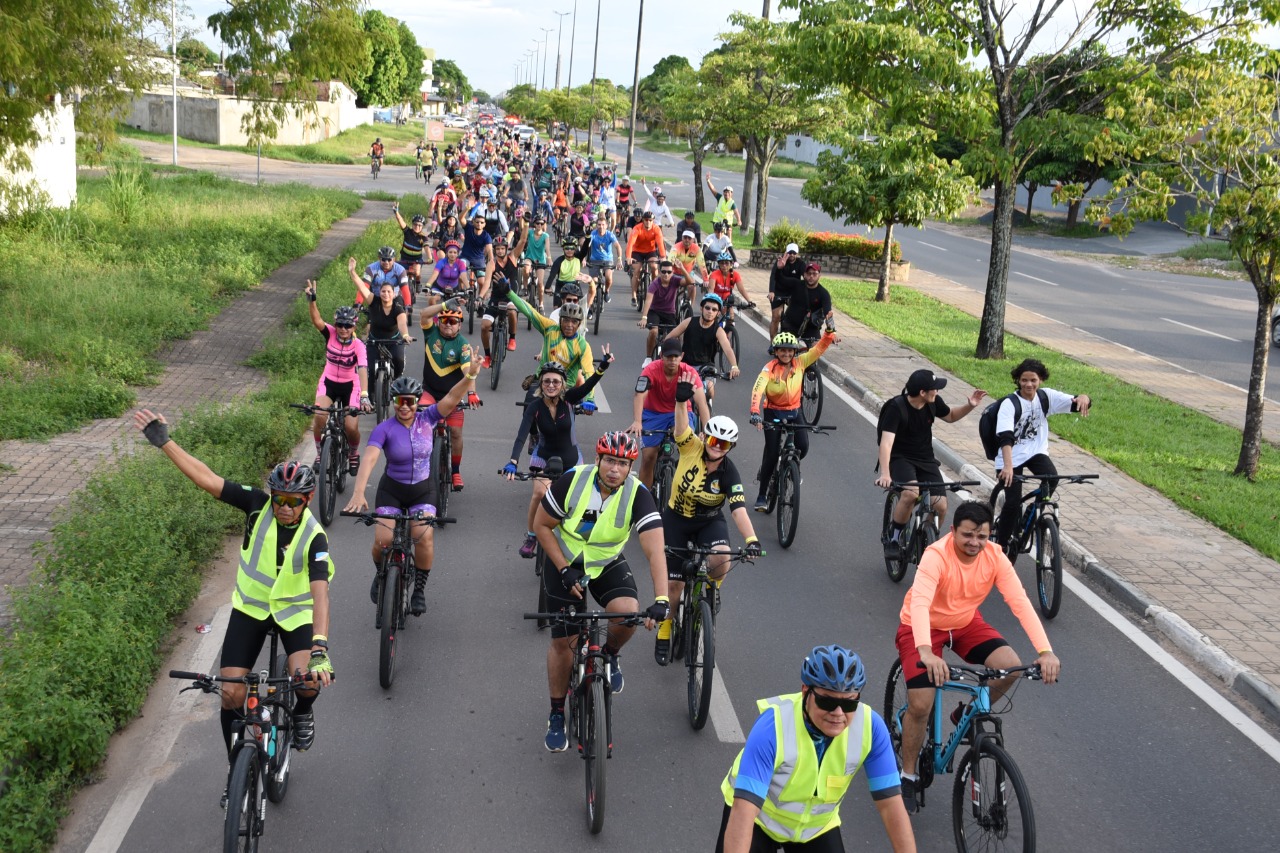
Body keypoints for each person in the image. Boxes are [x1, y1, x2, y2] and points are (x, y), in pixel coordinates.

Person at [133, 412, 334, 784]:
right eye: (279, 499)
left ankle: (303, 712)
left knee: (306, 681)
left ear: (306, 500)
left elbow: (320, 596)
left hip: (294, 614)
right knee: (229, 694)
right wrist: (165, 442)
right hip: (252, 609)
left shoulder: (314, 537)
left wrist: (320, 648)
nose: (284, 507)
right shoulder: (257, 506)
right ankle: (237, 767)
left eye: (293, 500)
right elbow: (207, 479)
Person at [894, 501, 1061, 814]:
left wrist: (1045, 650)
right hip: (923, 627)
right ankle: (907, 772)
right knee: (920, 704)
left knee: (1011, 666)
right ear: (953, 531)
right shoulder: (936, 556)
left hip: (965, 623)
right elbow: (919, 605)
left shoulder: (994, 557)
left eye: (982, 536)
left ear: (990, 535)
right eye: (968, 535)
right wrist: (926, 652)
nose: (975, 542)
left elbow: (1020, 603)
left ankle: (965, 715)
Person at [533, 431, 671, 751]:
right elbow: (541, 525)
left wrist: (662, 599)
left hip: (604, 561)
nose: (614, 469)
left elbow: (655, 551)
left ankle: (609, 655)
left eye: (622, 463)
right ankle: (556, 713)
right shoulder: (572, 481)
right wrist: (565, 570)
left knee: (626, 611)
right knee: (563, 642)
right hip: (564, 561)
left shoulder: (638, 494)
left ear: (630, 467)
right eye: (609, 460)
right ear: (597, 459)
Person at [717, 646, 915, 853]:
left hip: (815, 830)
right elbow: (744, 812)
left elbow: (890, 805)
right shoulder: (773, 728)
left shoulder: (871, 729)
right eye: (827, 701)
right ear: (805, 692)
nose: (838, 713)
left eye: (849, 703)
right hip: (759, 820)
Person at [344, 371, 479, 615]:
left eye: (409, 401)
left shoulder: (428, 418)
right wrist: (358, 492)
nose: (404, 406)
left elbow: (451, 396)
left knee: (423, 537)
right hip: (392, 490)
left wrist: (470, 375)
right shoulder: (384, 429)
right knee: (382, 540)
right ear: (394, 402)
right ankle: (380, 573)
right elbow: (370, 459)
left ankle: (419, 589)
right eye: (399, 401)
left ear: (417, 402)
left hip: (422, 491)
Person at [654, 390, 760, 665]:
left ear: (730, 448)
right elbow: (681, 425)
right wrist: (680, 401)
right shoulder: (690, 447)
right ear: (704, 437)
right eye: (713, 440)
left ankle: (713, 588)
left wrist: (751, 540)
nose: (717, 447)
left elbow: (738, 511)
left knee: (722, 558)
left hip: (709, 521)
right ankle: (665, 629)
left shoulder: (730, 473)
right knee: (674, 585)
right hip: (676, 519)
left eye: (724, 445)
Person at [503, 352, 612, 557]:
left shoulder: (569, 400)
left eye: (555, 381)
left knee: (577, 501)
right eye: (546, 381)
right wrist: (513, 462)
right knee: (539, 493)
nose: (551, 385)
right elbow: (521, 436)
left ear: (562, 384)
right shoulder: (534, 407)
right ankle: (532, 536)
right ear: (541, 384)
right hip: (543, 457)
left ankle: (575, 536)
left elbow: (587, 386)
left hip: (571, 458)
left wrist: (602, 368)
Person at [875, 369, 988, 559]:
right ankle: (894, 538)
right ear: (922, 392)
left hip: (925, 459)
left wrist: (970, 406)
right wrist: (885, 474)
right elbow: (886, 444)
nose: (937, 392)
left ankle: (926, 535)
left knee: (941, 506)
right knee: (911, 493)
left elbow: (951, 416)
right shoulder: (896, 408)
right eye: (934, 389)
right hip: (900, 457)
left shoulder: (933, 402)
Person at [990, 358, 1092, 545]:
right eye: (1024, 380)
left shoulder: (1045, 397)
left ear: (1041, 380)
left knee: (1052, 478)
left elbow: (1075, 402)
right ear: (1018, 381)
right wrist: (1008, 466)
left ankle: (1030, 514)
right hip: (1010, 455)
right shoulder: (1009, 404)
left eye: (1033, 380)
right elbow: (1005, 437)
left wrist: (1084, 397)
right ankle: (1000, 547)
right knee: (1012, 503)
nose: (1029, 384)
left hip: (1036, 452)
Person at [749, 330, 837, 512]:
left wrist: (828, 334)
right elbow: (758, 390)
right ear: (776, 351)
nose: (787, 354)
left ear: (795, 352)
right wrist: (755, 412)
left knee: (803, 446)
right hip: (773, 411)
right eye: (782, 351)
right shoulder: (769, 369)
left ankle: (791, 468)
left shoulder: (801, 362)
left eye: (790, 351)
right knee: (772, 455)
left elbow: (819, 349)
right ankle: (762, 495)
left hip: (794, 411)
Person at [305, 280, 371, 474]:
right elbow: (317, 320)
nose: (343, 329)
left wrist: (365, 394)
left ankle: (353, 453)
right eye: (340, 325)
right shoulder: (331, 334)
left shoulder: (358, 345)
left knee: (351, 426)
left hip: (351, 385)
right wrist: (312, 301)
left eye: (348, 326)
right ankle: (319, 454)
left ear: (354, 326)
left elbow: (362, 369)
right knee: (319, 416)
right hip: (329, 382)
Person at [629, 337, 712, 489]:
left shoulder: (689, 372)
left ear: (682, 356)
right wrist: (637, 421)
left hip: (679, 413)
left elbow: (701, 403)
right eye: (668, 357)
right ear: (661, 356)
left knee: (686, 447)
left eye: (676, 357)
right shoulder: (650, 370)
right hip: (653, 414)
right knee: (648, 456)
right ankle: (642, 498)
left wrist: (708, 431)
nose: (672, 361)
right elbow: (639, 395)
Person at [418, 301, 481, 490]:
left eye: (453, 321)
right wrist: (444, 304)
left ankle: (455, 471)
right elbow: (423, 314)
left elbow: (468, 371)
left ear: (459, 325)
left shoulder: (462, 344)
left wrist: (471, 393)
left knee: (455, 433)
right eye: (444, 320)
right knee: (420, 426)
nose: (448, 324)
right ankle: (420, 463)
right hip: (429, 392)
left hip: (452, 397)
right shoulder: (430, 333)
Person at [664, 293, 740, 404]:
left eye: (714, 310)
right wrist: (670, 354)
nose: (710, 311)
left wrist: (734, 366)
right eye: (707, 308)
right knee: (681, 397)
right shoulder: (689, 322)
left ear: (718, 313)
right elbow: (669, 338)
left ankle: (706, 414)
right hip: (686, 366)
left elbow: (727, 348)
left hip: (706, 367)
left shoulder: (718, 331)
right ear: (701, 308)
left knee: (709, 390)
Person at [352, 276, 413, 381]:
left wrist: (405, 335)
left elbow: (402, 323)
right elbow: (362, 287)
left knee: (399, 360)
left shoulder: (397, 307)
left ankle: (395, 380)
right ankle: (369, 396)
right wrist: (352, 272)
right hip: (374, 341)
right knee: (369, 371)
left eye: (389, 292)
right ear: (379, 293)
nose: (386, 294)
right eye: (383, 291)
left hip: (394, 341)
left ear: (394, 294)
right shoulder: (373, 301)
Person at [478, 245, 520, 367]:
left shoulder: (512, 258)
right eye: (498, 249)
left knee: (512, 311)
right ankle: (487, 355)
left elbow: (522, 240)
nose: (500, 251)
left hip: (510, 296)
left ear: (506, 249)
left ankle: (512, 338)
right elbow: (486, 283)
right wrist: (480, 296)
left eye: (502, 248)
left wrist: (526, 224)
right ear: (495, 250)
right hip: (495, 298)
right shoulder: (491, 264)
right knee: (484, 326)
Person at [638, 258, 687, 357]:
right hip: (654, 311)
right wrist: (644, 318)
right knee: (653, 331)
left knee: (675, 337)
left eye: (669, 272)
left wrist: (682, 268)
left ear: (672, 272)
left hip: (669, 313)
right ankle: (648, 357)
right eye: (664, 272)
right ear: (659, 272)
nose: (666, 274)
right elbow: (648, 300)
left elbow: (690, 281)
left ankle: (675, 358)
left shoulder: (675, 280)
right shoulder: (655, 283)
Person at [626, 210, 669, 306]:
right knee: (636, 270)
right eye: (646, 220)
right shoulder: (637, 228)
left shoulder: (656, 229)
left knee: (654, 267)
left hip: (650, 251)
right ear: (643, 220)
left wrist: (663, 256)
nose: (648, 222)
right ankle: (634, 295)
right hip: (637, 251)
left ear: (653, 220)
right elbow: (630, 243)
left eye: (650, 220)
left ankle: (653, 289)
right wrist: (628, 257)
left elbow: (660, 243)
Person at [780, 263, 833, 340]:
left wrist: (832, 332)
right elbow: (780, 279)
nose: (811, 276)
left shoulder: (823, 293)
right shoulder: (796, 284)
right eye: (809, 273)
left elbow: (828, 313)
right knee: (785, 347)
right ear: (804, 275)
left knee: (816, 349)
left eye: (814, 274)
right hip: (791, 324)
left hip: (811, 327)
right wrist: (779, 268)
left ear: (819, 275)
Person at [768, 243, 806, 340]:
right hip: (779, 291)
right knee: (776, 317)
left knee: (794, 317)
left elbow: (805, 278)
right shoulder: (780, 261)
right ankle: (773, 343)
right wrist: (771, 291)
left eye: (794, 253)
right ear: (786, 253)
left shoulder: (801, 264)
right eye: (790, 253)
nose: (792, 255)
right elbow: (773, 276)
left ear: (797, 254)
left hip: (792, 293)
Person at [391, 205, 429, 300]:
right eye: (415, 224)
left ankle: (418, 283)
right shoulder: (407, 232)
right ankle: (398, 292)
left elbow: (427, 247)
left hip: (416, 260)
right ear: (412, 224)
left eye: (419, 225)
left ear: (422, 226)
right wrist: (396, 212)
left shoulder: (423, 237)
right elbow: (401, 222)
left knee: (417, 271)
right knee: (399, 274)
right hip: (404, 259)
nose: (417, 226)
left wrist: (430, 257)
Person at [546, 236, 595, 308]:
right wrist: (547, 287)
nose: (569, 250)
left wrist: (588, 237)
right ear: (563, 249)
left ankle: (589, 311)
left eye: (572, 248)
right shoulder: (559, 261)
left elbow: (585, 249)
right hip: (561, 285)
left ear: (575, 249)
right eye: (567, 248)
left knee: (581, 306)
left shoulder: (578, 257)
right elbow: (552, 275)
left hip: (574, 284)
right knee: (556, 308)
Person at [708, 251, 753, 325]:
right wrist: (711, 300)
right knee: (712, 318)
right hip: (715, 297)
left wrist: (749, 301)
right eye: (722, 263)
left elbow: (741, 289)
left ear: (731, 264)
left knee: (731, 318)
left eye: (727, 263)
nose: (724, 265)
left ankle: (728, 335)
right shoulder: (714, 274)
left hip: (727, 299)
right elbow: (711, 289)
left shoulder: (735, 275)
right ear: (718, 264)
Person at [584, 215, 621, 303]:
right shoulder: (593, 234)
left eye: (603, 224)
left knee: (608, 277)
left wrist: (619, 259)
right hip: (594, 260)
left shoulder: (610, 235)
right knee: (594, 282)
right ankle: (591, 305)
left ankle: (607, 291)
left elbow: (617, 246)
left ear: (606, 226)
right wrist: (583, 258)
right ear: (596, 226)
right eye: (599, 225)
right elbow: (587, 245)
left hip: (607, 260)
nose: (601, 227)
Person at [517, 215, 552, 309]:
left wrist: (549, 258)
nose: (539, 225)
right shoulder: (530, 232)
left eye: (541, 223)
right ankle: (524, 287)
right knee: (526, 267)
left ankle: (541, 304)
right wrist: (523, 220)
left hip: (540, 260)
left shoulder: (545, 236)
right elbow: (522, 232)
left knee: (540, 283)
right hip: (530, 257)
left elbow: (547, 248)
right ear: (534, 224)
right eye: (537, 223)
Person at [671, 229, 708, 307]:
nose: (687, 240)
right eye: (685, 237)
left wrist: (705, 279)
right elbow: (670, 260)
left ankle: (690, 307)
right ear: (682, 238)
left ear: (693, 240)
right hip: (675, 273)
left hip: (688, 273)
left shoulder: (697, 249)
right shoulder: (676, 247)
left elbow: (702, 265)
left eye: (689, 238)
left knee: (692, 285)